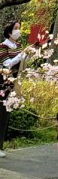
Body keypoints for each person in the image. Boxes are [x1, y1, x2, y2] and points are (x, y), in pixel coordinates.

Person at [0, 22, 24, 158]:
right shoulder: (3, 46)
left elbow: (22, 62)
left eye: (19, 28)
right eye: (16, 28)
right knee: (1, 113)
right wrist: (21, 56)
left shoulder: (19, 46)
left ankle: (1, 143)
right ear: (9, 32)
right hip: (3, 83)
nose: (18, 31)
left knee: (6, 114)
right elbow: (7, 64)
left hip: (13, 82)